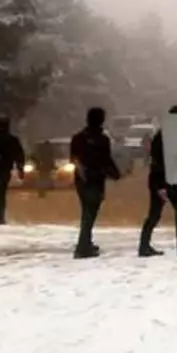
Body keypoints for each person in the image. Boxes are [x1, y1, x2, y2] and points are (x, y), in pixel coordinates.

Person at [140, 105, 177, 258]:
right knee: (155, 214)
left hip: (172, 179)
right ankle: (145, 246)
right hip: (161, 180)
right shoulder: (163, 136)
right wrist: (161, 186)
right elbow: (158, 162)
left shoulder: (173, 135)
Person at [70, 107, 122, 259]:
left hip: (82, 179)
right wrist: (114, 173)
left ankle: (85, 242)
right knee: (90, 212)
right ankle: (83, 246)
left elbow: (74, 159)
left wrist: (82, 173)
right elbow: (106, 160)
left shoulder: (78, 138)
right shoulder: (102, 139)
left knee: (87, 210)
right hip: (95, 179)